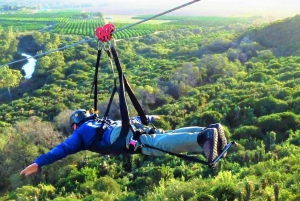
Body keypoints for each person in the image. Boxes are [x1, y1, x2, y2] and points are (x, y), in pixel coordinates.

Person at [20, 109, 228, 176]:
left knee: (157, 146)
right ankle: (209, 131)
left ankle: (203, 138)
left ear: (75, 125)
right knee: (164, 136)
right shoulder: (101, 121)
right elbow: (135, 119)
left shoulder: (81, 132)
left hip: (122, 136)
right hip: (128, 126)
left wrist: (39, 163)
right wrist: (151, 117)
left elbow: (62, 149)